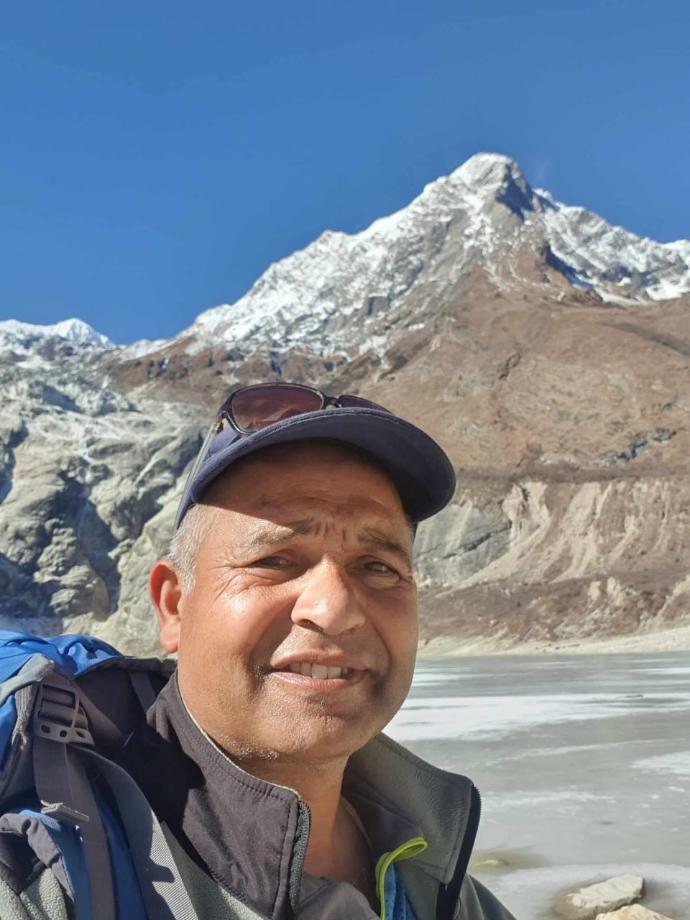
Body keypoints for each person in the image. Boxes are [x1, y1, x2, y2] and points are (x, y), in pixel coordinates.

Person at [0, 382, 515, 920]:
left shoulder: (434, 873)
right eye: (274, 560)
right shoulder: (41, 879)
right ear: (174, 606)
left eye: (377, 567)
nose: (335, 608)